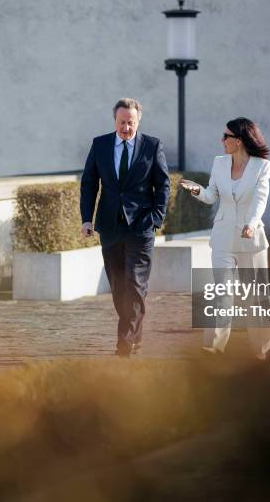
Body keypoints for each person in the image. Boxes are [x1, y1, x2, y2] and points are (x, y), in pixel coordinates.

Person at [80, 98, 170, 358]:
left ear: (138, 121)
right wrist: (87, 219)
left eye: (131, 122)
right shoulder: (100, 145)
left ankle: (124, 343)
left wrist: (156, 217)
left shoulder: (152, 146)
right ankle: (135, 334)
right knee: (119, 287)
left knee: (135, 284)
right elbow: (89, 183)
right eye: (122, 122)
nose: (126, 127)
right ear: (114, 120)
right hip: (109, 226)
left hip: (141, 226)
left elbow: (163, 184)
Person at [180, 117, 270, 359]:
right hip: (222, 237)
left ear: (238, 141)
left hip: (250, 238)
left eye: (226, 137)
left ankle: (261, 350)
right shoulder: (219, 163)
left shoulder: (262, 166)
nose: (221, 141)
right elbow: (212, 195)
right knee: (222, 291)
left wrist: (251, 225)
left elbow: (260, 199)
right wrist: (197, 190)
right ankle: (214, 345)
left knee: (256, 295)